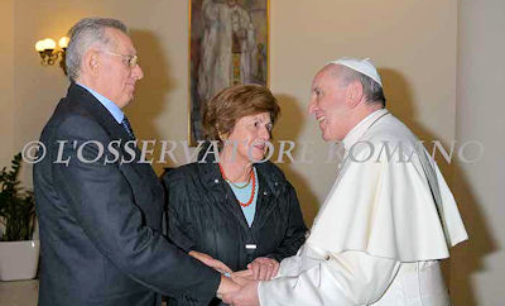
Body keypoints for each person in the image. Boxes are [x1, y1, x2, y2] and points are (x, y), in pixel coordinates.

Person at [224, 58, 468, 305]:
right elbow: (327, 253)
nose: (311, 107)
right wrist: (276, 275)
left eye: (319, 93)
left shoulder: (380, 151)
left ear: (353, 94)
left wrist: (264, 295)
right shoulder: (382, 142)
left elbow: (357, 279)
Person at [33, 17, 238, 306]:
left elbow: (137, 216)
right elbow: (127, 242)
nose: (139, 72)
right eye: (129, 60)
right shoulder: (77, 130)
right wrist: (222, 287)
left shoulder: (96, 123)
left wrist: (185, 257)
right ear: (93, 61)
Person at [163, 84, 307, 305]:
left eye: (268, 125)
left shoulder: (279, 185)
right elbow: (159, 247)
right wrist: (193, 260)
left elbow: (297, 238)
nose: (266, 135)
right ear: (223, 130)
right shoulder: (179, 185)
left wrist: (273, 260)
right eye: (255, 124)